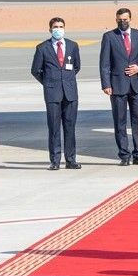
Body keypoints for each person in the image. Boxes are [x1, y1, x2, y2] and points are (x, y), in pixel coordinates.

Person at [99, 8, 138, 166]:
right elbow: (104, 63)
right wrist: (106, 84)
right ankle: (124, 155)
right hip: (117, 86)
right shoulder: (109, 37)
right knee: (120, 122)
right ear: (116, 20)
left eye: (125, 19)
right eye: (119, 20)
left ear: (130, 19)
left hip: (136, 85)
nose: (122, 22)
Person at [31, 17, 82, 170]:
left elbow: (76, 66)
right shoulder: (42, 48)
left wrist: (66, 80)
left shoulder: (72, 46)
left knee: (70, 127)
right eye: (55, 27)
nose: (58, 29)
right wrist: (48, 82)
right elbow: (35, 70)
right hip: (53, 93)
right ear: (50, 30)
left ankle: (71, 159)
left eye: (61, 26)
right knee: (54, 128)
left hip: (70, 93)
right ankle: (55, 161)